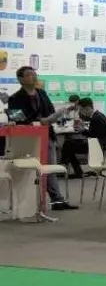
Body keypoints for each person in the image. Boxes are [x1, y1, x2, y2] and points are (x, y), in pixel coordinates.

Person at [6, 66, 73, 210]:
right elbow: (16, 120)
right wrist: (36, 122)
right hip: (28, 139)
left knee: (50, 168)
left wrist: (48, 119)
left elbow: (51, 112)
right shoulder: (14, 98)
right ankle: (30, 202)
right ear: (20, 79)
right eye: (29, 74)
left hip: (47, 135)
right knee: (30, 171)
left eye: (34, 74)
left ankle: (57, 200)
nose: (34, 76)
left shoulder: (42, 93)